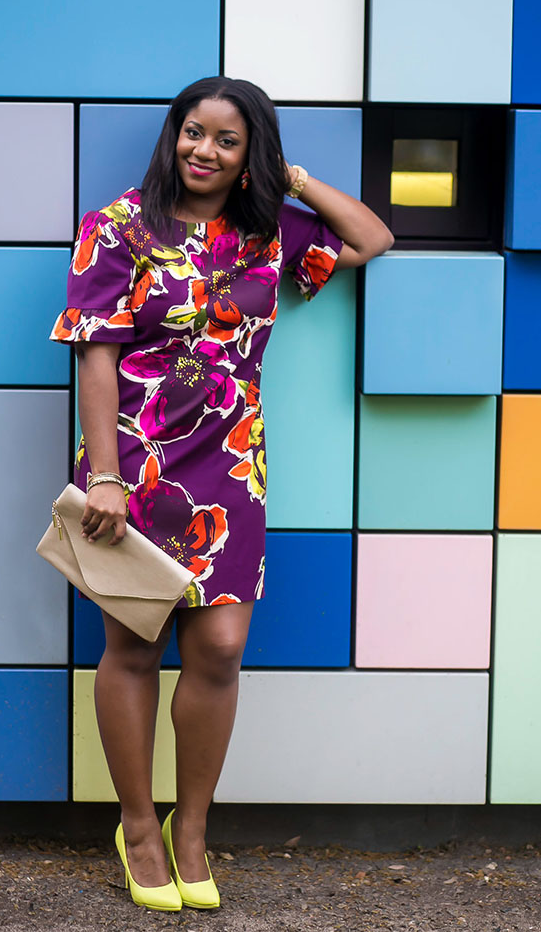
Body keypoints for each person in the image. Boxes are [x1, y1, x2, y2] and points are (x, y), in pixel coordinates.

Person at [50, 76, 394, 911]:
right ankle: (137, 826)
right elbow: (94, 353)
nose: (203, 150)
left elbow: (371, 236)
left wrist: (291, 178)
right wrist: (103, 473)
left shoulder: (267, 231)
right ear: (173, 137)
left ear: (248, 157)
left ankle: (191, 828)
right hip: (131, 464)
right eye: (192, 132)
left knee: (220, 649)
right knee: (132, 647)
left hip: (232, 467)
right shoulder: (117, 228)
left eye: (226, 140)